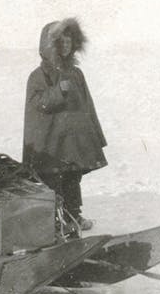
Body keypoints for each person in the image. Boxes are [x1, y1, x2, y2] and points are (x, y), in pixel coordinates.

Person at [23, 17, 107, 233]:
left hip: (74, 141)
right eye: (61, 40)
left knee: (72, 178)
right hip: (51, 144)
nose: (67, 44)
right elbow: (38, 103)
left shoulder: (76, 73)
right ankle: (55, 222)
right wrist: (59, 91)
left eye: (69, 39)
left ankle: (73, 215)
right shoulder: (38, 76)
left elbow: (87, 106)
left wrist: (95, 136)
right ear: (49, 46)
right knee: (53, 183)